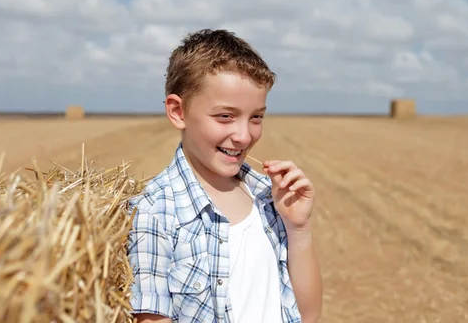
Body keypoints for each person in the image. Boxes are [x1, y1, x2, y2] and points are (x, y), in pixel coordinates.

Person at [127, 29, 323, 323]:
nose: (244, 136)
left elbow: (308, 315)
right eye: (225, 116)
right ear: (178, 112)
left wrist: (299, 229)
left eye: (256, 117)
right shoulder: (154, 212)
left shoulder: (266, 198)